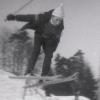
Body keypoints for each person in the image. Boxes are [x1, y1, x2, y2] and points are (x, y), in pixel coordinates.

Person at [6, 3, 64, 76]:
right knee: (36, 51)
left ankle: (43, 76)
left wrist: (52, 50)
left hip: (49, 40)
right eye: (56, 20)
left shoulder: (60, 28)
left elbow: (56, 41)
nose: (58, 22)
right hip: (39, 35)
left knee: (49, 55)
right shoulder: (42, 17)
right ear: (52, 16)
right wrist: (14, 17)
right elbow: (28, 17)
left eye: (60, 20)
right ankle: (29, 71)